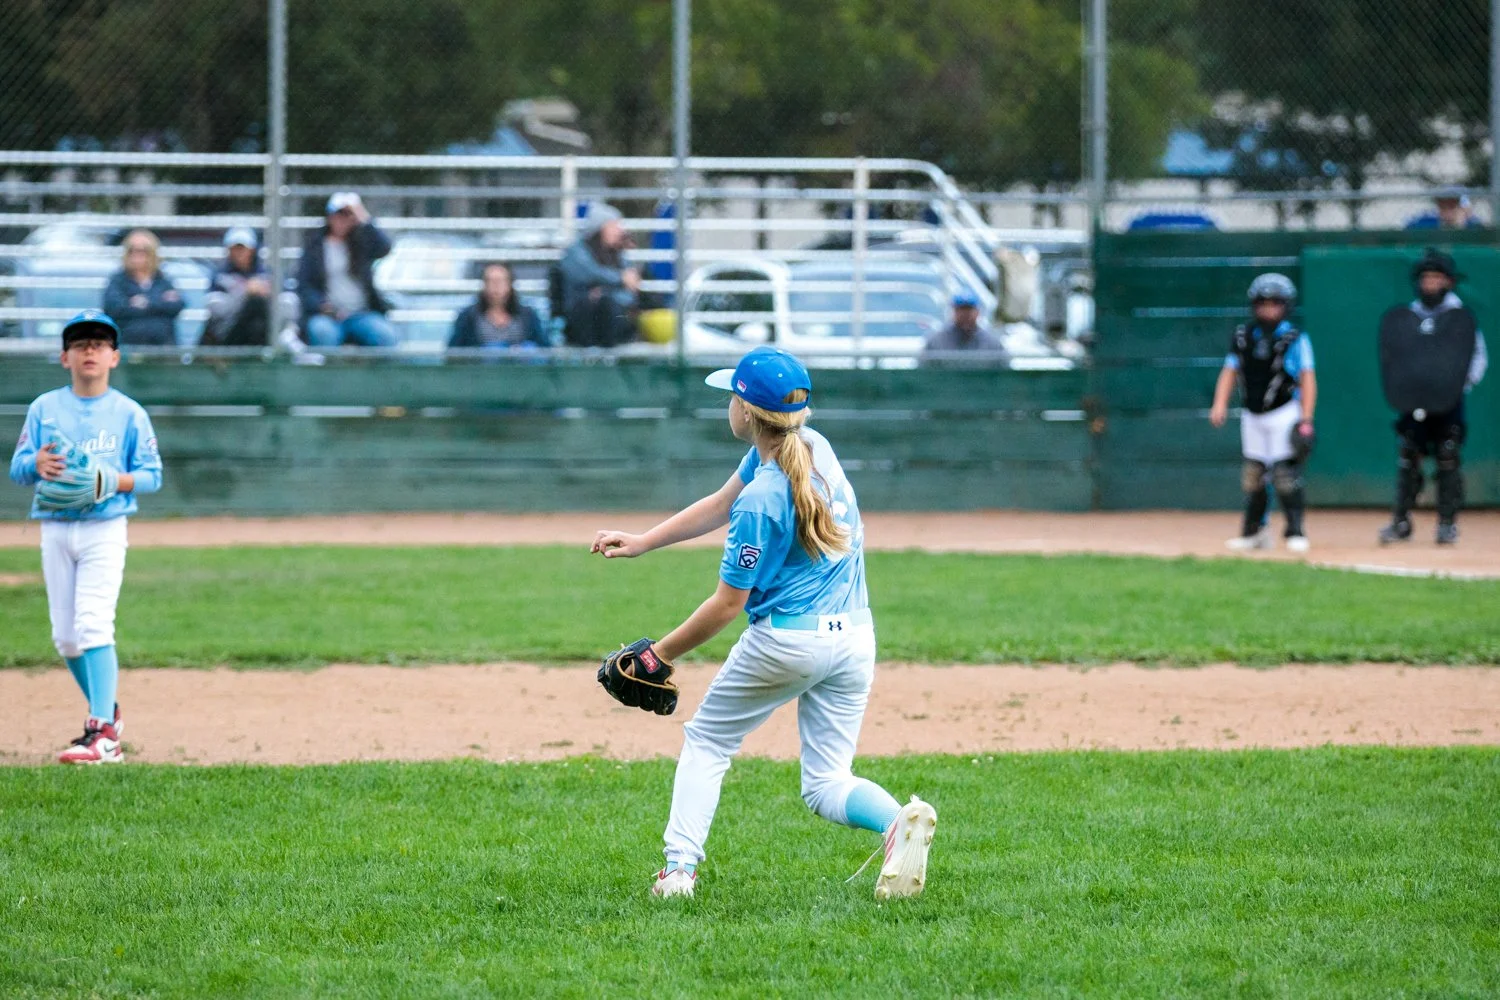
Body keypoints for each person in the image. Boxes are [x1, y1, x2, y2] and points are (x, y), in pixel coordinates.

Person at [590, 346, 936, 901]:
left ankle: (678, 873)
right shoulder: (813, 448)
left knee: (707, 741)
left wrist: (660, 655)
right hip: (854, 639)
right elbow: (722, 501)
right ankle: (900, 825)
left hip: (789, 640)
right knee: (825, 783)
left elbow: (728, 604)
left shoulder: (765, 497)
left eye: (733, 395)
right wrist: (644, 541)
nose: (728, 403)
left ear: (749, 414)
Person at [8, 310, 163, 764]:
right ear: (64, 357)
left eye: (99, 343)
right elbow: (18, 470)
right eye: (80, 344)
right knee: (65, 638)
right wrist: (35, 462)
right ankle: (107, 713)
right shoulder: (44, 408)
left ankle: (103, 735)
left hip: (105, 526)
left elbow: (152, 476)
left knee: (93, 622)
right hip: (56, 525)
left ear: (114, 357)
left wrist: (113, 480)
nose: (89, 350)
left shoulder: (129, 413)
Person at [1377, 249, 1488, 546]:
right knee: (1408, 453)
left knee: (1448, 455)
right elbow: (1395, 358)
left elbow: (1477, 358)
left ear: (1449, 282)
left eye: (1437, 278)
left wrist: (1457, 386)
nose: (1430, 284)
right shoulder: (1408, 317)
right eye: (1426, 278)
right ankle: (1401, 521)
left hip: (1449, 402)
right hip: (1413, 399)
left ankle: (1447, 524)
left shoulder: (1459, 318)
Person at [1210, 273, 1317, 552]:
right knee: (1253, 475)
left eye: (1275, 304)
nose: (1268, 310)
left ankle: (1295, 530)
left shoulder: (1294, 338)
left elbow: (1307, 378)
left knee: (1285, 475)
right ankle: (1254, 532)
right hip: (1252, 414)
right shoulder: (1243, 336)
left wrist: (1306, 418)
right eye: (1263, 304)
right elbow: (1230, 371)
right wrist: (1219, 404)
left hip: (1283, 412)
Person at [296, 191, 398, 348]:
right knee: (323, 333)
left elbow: (384, 248)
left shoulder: (361, 241)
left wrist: (364, 217)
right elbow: (304, 284)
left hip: (361, 313)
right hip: (326, 316)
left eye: (347, 215)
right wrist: (321, 306)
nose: (342, 220)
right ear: (329, 217)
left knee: (385, 336)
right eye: (338, 214)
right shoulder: (315, 245)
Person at [558, 202, 639, 347]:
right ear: (600, 228)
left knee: (611, 307)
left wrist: (604, 292)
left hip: (614, 318)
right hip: (582, 318)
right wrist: (619, 279)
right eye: (614, 225)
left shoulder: (619, 256)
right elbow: (588, 273)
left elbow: (629, 292)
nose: (619, 231)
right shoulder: (576, 251)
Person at [102, 229, 184, 346]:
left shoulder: (162, 280)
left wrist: (144, 303)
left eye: (142, 251)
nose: (136, 256)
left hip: (162, 344)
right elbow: (114, 308)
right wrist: (159, 303)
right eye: (132, 251)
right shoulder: (118, 280)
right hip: (129, 342)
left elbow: (177, 306)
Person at [447, 262, 547, 350]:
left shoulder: (528, 315)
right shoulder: (468, 317)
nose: (496, 286)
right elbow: (454, 354)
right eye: (490, 281)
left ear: (510, 284)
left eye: (500, 281)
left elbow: (546, 350)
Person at [202, 227, 272, 347]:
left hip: (262, 330)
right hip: (230, 330)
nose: (239, 253)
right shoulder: (220, 276)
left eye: (243, 248)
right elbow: (216, 310)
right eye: (235, 248)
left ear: (252, 250)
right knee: (255, 303)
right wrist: (246, 292)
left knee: (258, 314)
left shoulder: (266, 274)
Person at [920, 292, 1009, 362]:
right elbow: (924, 373)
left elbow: (1004, 375)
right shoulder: (936, 341)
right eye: (961, 310)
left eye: (969, 310)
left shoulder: (992, 343)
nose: (965, 315)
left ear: (977, 312)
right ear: (954, 312)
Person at [1405, 188, 1484, 231]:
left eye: (1452, 207)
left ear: (1465, 209)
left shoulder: (1475, 227)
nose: (1446, 211)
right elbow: (1408, 228)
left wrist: (1459, 225)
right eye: (1442, 206)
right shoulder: (1428, 222)